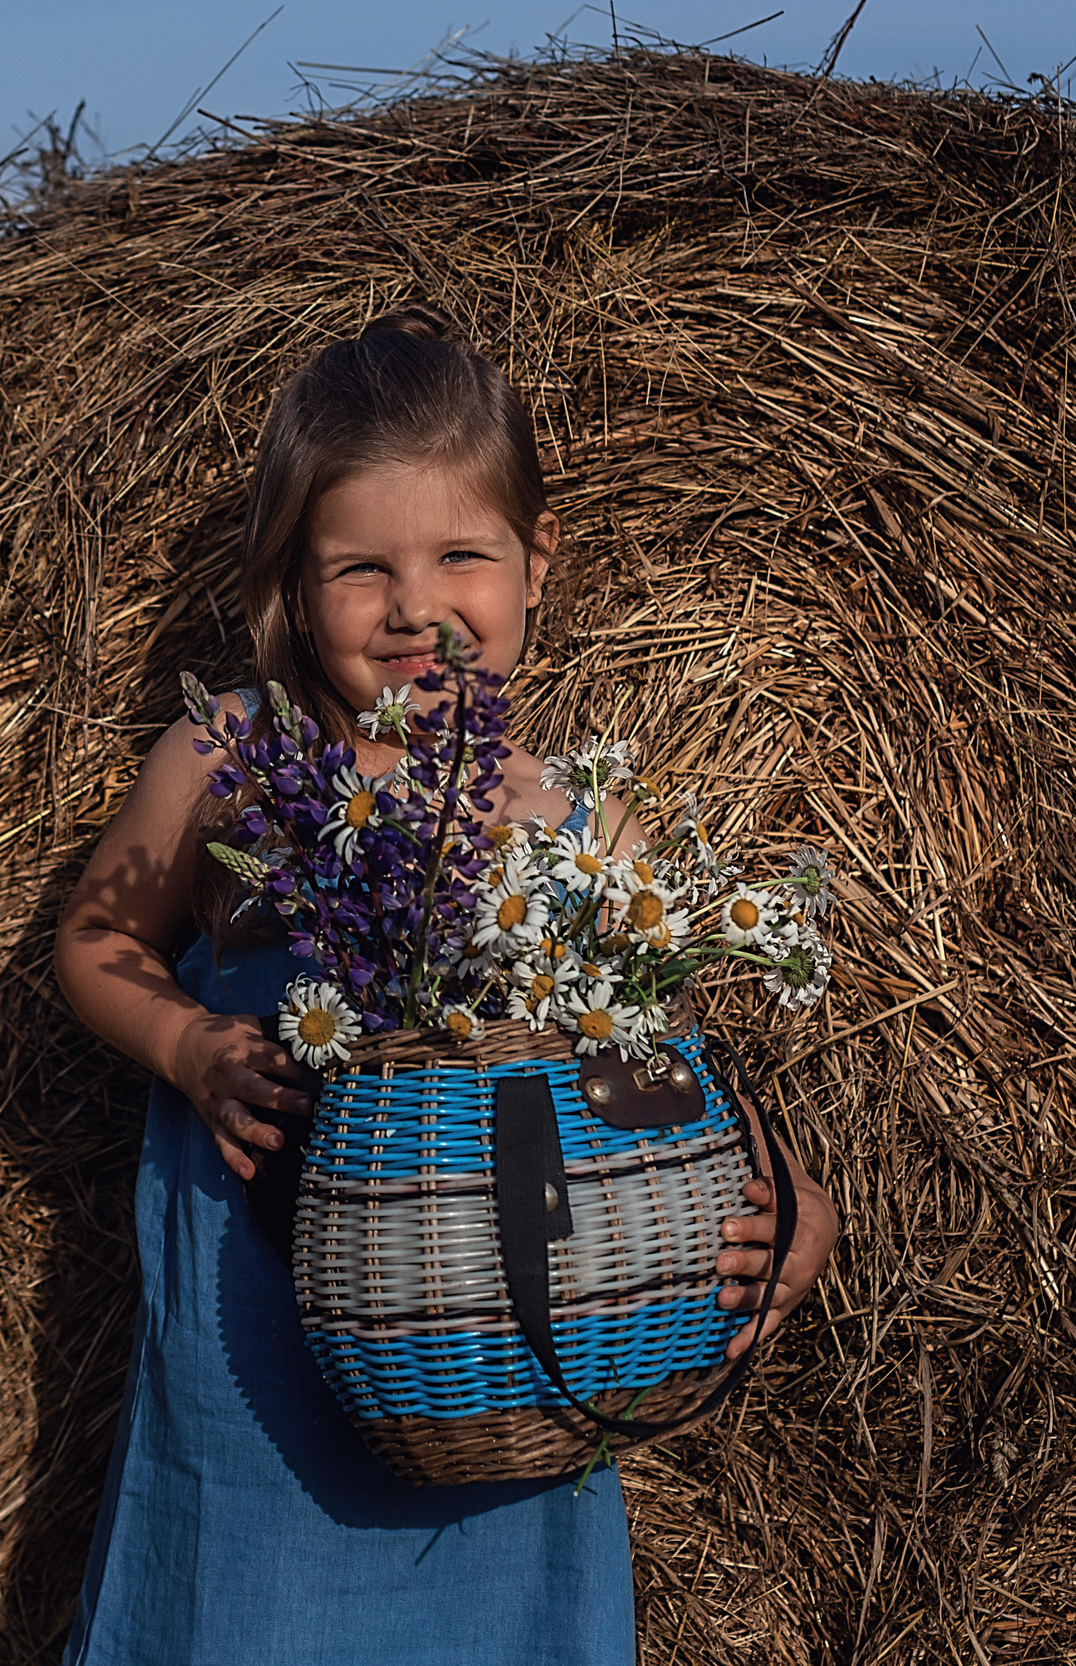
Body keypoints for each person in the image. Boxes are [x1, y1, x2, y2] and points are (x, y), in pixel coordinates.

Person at [51, 305, 841, 1664]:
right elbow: (93, 940)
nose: (416, 607)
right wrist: (188, 1048)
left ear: (537, 567)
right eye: (362, 568)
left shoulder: (579, 821)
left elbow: (651, 1076)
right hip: (259, 1329)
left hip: (510, 1330)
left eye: (462, 556)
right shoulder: (238, 755)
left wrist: (784, 1185)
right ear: (297, 586)